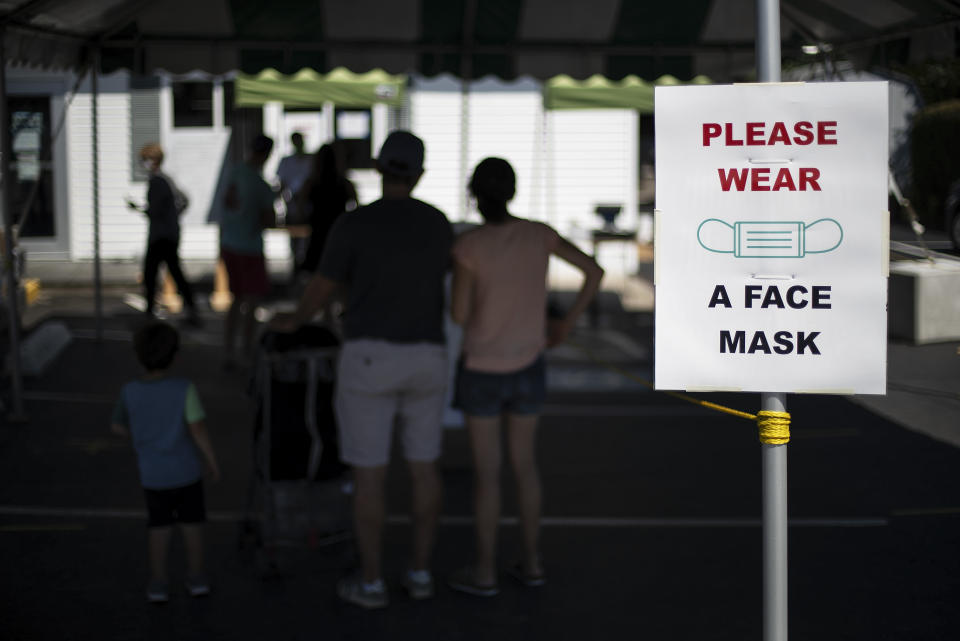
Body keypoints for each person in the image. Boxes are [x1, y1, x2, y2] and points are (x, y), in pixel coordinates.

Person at [272, 131, 452, 609]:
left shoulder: (354, 225)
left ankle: (372, 582)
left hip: (369, 356)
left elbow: (319, 291)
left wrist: (290, 320)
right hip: (427, 355)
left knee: (369, 477)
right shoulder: (439, 225)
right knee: (424, 471)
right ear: (419, 173)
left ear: (379, 170)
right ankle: (419, 573)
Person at [447, 157, 603, 596]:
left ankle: (484, 572)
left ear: (474, 195)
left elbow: (458, 314)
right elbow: (594, 271)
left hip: (481, 368)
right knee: (525, 468)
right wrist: (566, 322)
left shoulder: (469, 245)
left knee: (487, 475)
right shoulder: (539, 234)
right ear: (512, 192)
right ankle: (532, 563)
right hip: (528, 366)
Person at [110, 321, 221, 604]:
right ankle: (196, 578)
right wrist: (212, 461)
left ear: (138, 356)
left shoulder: (129, 392)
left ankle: (158, 582)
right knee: (192, 525)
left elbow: (118, 427)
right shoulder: (184, 389)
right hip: (186, 473)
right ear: (176, 356)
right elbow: (198, 430)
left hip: (152, 476)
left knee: (158, 527)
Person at [126, 143, 201, 326]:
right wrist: (173, 216)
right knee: (173, 271)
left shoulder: (157, 181)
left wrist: (142, 210)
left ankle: (151, 312)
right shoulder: (166, 179)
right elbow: (183, 200)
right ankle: (190, 309)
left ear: (153, 161)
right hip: (169, 233)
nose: (142, 164)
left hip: (161, 235)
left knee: (152, 273)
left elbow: (155, 211)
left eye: (144, 160)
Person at [219, 134, 276, 369]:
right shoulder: (261, 185)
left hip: (230, 244)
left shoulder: (235, 172)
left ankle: (229, 350)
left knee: (235, 300)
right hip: (250, 248)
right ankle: (247, 349)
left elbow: (226, 203)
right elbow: (268, 220)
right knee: (251, 302)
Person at [299, 141, 357, 274]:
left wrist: (306, 217)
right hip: (338, 231)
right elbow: (355, 206)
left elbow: (300, 208)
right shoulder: (344, 183)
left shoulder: (311, 183)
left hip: (318, 232)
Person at [276, 132, 314, 274]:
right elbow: (282, 184)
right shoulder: (287, 161)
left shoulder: (311, 160)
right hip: (292, 206)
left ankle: (305, 270)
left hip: (308, 207)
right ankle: (296, 271)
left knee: (307, 242)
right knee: (294, 242)